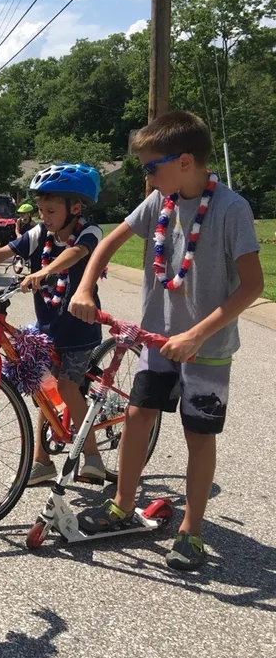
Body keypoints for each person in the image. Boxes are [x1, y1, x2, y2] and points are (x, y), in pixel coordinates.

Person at [69, 111, 264, 571]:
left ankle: (191, 531)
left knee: (198, 436)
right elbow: (108, 242)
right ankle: (121, 505)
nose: (147, 176)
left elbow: (252, 285)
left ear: (185, 161)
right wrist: (85, 287)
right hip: (158, 341)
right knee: (137, 417)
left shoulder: (230, 209)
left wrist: (197, 334)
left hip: (207, 349)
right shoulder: (162, 201)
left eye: (151, 166)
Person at [0, 163, 106, 485]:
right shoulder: (39, 234)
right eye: (40, 210)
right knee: (41, 387)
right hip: (48, 328)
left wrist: (44, 270)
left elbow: (77, 254)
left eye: (51, 210)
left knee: (66, 386)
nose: (44, 217)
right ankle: (41, 460)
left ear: (75, 208)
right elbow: (1, 253)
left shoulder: (89, 232)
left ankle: (92, 455)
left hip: (80, 329)